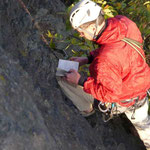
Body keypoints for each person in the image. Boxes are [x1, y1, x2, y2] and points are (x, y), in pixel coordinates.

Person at [57, 0, 150, 149]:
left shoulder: (105, 61)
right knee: (145, 128)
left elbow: (110, 94)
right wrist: (88, 58)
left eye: (81, 31)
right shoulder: (123, 22)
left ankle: (86, 110)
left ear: (93, 27)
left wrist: (80, 80)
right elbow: (116, 48)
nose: (81, 35)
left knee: (64, 79)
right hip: (141, 86)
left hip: (123, 99)